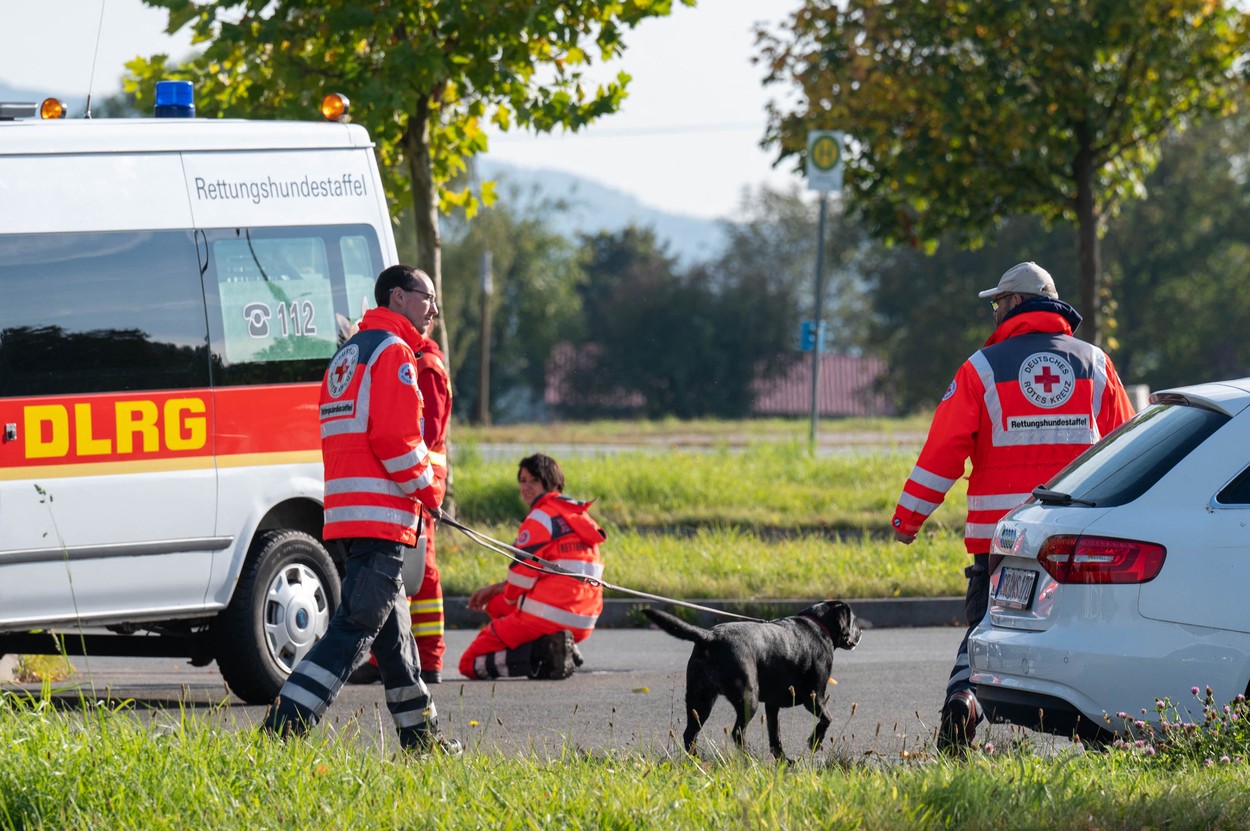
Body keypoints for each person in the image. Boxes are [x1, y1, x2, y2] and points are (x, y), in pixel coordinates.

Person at [891, 261, 1134, 753]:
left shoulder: (981, 367)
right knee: (1084, 638)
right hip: (1075, 541)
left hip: (1001, 541)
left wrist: (908, 518)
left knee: (986, 632)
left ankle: (965, 701)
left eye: (999, 302)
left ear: (1019, 303)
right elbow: (1126, 450)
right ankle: (1106, 739)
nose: (996, 311)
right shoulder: (1095, 364)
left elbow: (943, 451)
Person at [262, 264, 460, 756]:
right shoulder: (393, 354)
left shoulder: (348, 353)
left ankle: (421, 740)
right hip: (382, 517)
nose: (433, 307)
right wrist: (431, 490)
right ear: (398, 296)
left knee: (394, 637)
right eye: (426, 296)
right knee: (354, 628)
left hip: (350, 514)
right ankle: (283, 730)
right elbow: (396, 440)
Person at [349, 285, 452, 686]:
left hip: (417, 481)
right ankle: (400, 659)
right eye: (428, 300)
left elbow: (421, 433)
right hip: (412, 479)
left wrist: (423, 486)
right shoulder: (405, 355)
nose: (434, 310)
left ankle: (426, 660)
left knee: (419, 573)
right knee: (409, 575)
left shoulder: (422, 362)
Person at [458, 454, 605, 681]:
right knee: (496, 604)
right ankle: (558, 646)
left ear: (553, 483)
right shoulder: (579, 517)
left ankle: (545, 654)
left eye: (534, 481)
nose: (526, 487)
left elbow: (520, 579)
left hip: (548, 615)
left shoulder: (540, 517)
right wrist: (496, 590)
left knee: (469, 664)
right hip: (584, 620)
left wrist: (508, 603)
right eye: (523, 480)